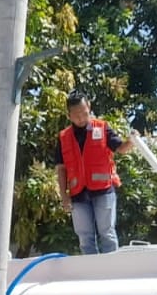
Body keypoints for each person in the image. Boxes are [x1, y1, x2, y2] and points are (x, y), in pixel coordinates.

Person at [55, 91, 133, 255]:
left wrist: (131, 142)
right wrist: (64, 195)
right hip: (78, 194)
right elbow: (61, 169)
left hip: (103, 189)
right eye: (76, 115)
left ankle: (111, 273)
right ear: (68, 115)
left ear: (89, 107)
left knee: (107, 233)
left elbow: (120, 148)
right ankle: (92, 274)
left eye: (84, 113)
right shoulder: (64, 137)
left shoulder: (102, 127)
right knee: (85, 237)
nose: (81, 118)